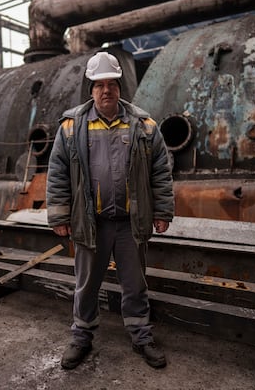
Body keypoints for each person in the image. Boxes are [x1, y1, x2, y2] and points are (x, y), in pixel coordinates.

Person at [46, 51, 175, 370]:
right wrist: (60, 216)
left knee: (135, 283)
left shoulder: (143, 126)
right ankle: (82, 336)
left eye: (112, 84)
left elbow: (161, 170)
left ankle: (141, 335)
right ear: (90, 89)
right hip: (92, 224)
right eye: (100, 85)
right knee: (86, 283)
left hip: (130, 223)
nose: (106, 90)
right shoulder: (72, 127)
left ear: (119, 87)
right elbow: (58, 172)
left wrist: (162, 211)